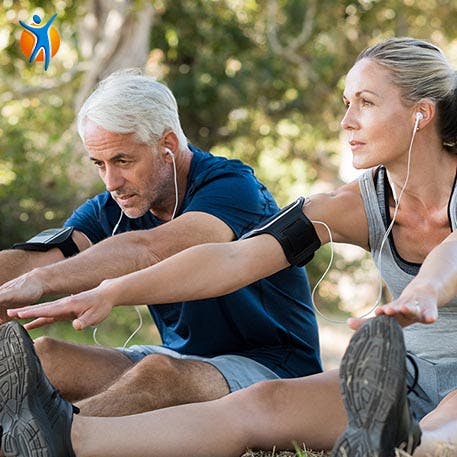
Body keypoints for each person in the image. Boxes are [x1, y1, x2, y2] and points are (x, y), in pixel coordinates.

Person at [2, 36, 457, 457]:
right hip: (403, 373)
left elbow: (451, 254)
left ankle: (413, 442)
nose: (346, 121)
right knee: (259, 403)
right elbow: (234, 258)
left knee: (445, 421)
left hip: (380, 377)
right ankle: (66, 438)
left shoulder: (229, 182)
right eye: (346, 103)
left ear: (421, 112)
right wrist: (111, 291)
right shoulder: (351, 203)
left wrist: (425, 290)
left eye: (366, 103)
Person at [0, 70, 321, 418]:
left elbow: (150, 249)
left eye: (123, 161)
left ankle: (51, 441)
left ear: (167, 146)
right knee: (45, 356)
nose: (111, 181)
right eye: (100, 164)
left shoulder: (233, 187)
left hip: (275, 369)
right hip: (183, 362)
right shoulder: (114, 206)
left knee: (157, 375)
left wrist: (43, 281)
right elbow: (41, 258)